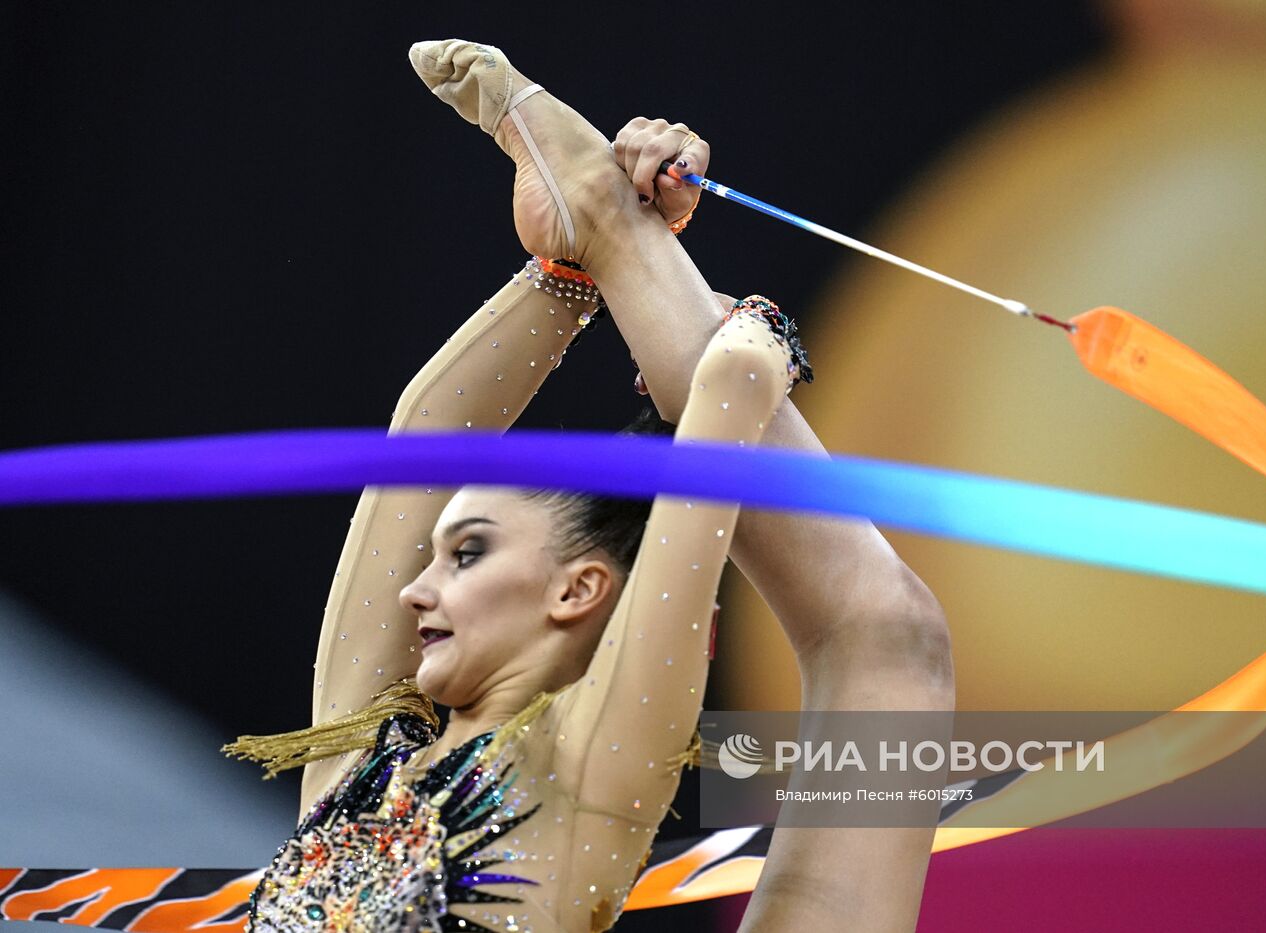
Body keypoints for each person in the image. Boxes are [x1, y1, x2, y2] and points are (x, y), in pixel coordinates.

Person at [229, 39, 952, 933]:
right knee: (892, 650)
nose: (416, 583)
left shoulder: (575, 789)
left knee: (891, 650)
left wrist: (634, 260)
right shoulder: (359, 774)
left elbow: (721, 427)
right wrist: (572, 274)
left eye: (468, 552)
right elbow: (417, 450)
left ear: (580, 590)